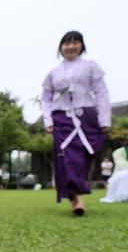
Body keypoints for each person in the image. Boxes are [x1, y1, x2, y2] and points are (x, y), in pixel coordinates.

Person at [41, 31, 110, 215]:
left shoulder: (91, 67)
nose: (70, 47)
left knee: (85, 156)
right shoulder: (53, 74)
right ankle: (75, 199)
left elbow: (101, 93)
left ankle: (76, 190)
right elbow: (46, 98)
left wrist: (104, 119)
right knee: (67, 158)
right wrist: (48, 119)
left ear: (81, 45)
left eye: (75, 43)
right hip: (62, 118)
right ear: (60, 47)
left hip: (86, 115)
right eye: (66, 43)